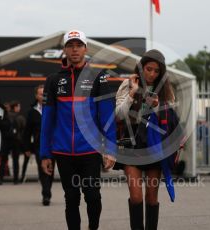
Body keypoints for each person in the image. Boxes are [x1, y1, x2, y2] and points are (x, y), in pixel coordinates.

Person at [40, 30, 116, 230]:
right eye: (70, 45)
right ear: (64, 49)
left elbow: (107, 117)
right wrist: (45, 153)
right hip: (63, 151)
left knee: (92, 196)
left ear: (85, 48)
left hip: (90, 150)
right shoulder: (53, 80)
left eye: (78, 45)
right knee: (71, 198)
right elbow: (47, 120)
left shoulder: (98, 77)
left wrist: (110, 149)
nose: (74, 49)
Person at [115, 49, 182, 230]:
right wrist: (132, 93)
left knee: (152, 197)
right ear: (141, 68)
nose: (152, 74)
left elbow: (170, 121)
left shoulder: (167, 91)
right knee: (136, 197)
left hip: (154, 145)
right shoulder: (127, 85)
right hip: (131, 144)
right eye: (148, 69)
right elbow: (119, 115)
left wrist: (157, 106)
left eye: (156, 71)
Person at [22, 84, 55, 206]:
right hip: (38, 145)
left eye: (45, 94)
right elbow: (27, 131)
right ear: (36, 96)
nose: (43, 96)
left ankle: (48, 190)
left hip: (53, 144)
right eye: (41, 94)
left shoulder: (53, 108)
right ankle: (46, 194)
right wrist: (26, 147)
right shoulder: (32, 112)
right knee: (42, 169)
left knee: (51, 168)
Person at [0, 100, 25, 184]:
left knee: (3, 160)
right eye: (19, 106)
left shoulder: (5, 116)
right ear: (16, 107)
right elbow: (23, 128)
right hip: (16, 141)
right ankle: (16, 179)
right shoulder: (19, 117)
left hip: (6, 140)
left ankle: (0, 178)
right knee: (15, 160)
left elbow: (1, 127)